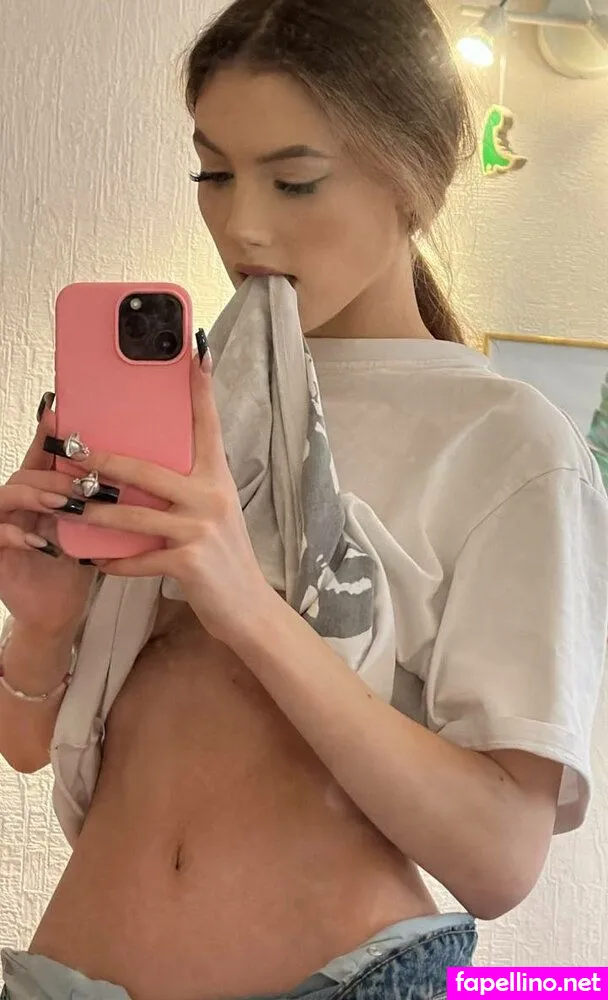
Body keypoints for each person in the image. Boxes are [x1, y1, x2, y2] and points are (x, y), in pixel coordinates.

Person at [1, 0, 607, 998]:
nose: (241, 224)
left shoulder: (505, 443)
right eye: (213, 173)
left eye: (294, 180)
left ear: (416, 177)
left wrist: (245, 605)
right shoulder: (188, 399)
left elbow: (500, 860)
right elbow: (29, 747)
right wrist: (42, 624)